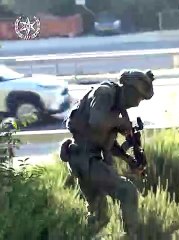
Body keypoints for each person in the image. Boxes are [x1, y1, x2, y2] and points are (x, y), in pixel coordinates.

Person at [59, 69, 155, 239]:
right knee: (127, 192)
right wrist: (121, 123)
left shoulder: (116, 107)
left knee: (99, 216)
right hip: (84, 158)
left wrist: (130, 160)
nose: (138, 103)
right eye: (139, 97)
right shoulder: (104, 93)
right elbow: (96, 123)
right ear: (130, 90)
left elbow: (107, 143)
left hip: (89, 159)